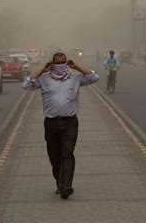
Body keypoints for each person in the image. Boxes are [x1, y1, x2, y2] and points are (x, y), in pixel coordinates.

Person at [23, 52, 99, 199]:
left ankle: (66, 186)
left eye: (63, 62)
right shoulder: (44, 79)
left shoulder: (75, 79)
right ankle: (59, 182)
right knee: (55, 156)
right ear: (52, 64)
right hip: (51, 123)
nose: (60, 65)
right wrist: (42, 69)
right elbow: (27, 85)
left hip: (70, 122)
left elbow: (94, 77)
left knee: (68, 153)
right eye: (57, 63)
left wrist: (76, 66)